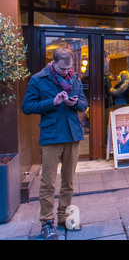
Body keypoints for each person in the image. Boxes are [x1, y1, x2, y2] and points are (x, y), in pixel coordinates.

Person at [22, 48, 88, 240]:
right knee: (48, 183)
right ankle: (46, 222)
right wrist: (53, 102)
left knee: (68, 181)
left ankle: (64, 217)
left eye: (69, 68)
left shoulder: (74, 78)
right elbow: (27, 107)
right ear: (53, 63)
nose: (66, 72)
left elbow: (83, 104)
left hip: (73, 134)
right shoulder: (38, 79)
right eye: (62, 69)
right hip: (51, 136)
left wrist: (74, 103)